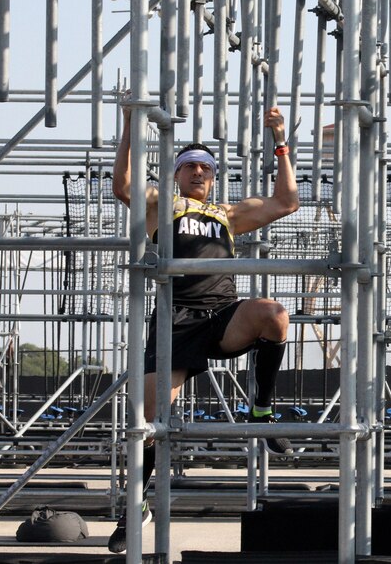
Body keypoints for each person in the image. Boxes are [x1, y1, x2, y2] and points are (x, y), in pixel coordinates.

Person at [108, 102, 300, 553]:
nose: (199, 173)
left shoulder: (227, 214)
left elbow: (286, 201)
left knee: (274, 314)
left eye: (206, 168)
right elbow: (123, 186)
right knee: (151, 423)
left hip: (221, 314)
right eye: (190, 166)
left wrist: (280, 140)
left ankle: (262, 411)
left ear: (214, 177)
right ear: (176, 174)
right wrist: (129, 125)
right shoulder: (160, 205)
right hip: (174, 321)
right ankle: (134, 505)